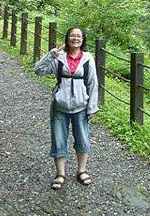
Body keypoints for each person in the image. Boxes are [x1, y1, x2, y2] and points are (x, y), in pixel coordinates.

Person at [35, 27, 99, 190]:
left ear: (83, 40)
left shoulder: (87, 58)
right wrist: (51, 54)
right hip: (60, 106)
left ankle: (81, 171)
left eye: (79, 36)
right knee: (58, 139)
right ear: (67, 38)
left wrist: (92, 106)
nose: (75, 38)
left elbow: (93, 84)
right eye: (72, 35)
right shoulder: (59, 57)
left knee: (83, 139)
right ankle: (60, 174)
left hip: (81, 106)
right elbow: (39, 70)